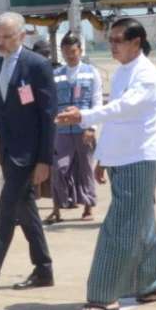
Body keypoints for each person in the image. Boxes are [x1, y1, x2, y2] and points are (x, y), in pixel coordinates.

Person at [55, 18, 156, 310]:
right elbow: (116, 120)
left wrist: (84, 116)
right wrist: (103, 159)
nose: (112, 45)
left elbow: (121, 109)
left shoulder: (147, 76)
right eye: (110, 40)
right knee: (143, 226)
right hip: (121, 159)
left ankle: (103, 295)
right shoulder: (123, 71)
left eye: (118, 40)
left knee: (118, 228)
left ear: (136, 42)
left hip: (138, 161)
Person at [0, 12, 55, 296]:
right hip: (6, 152)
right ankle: (43, 270)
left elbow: (48, 116)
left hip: (28, 155)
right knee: (26, 213)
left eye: (7, 37)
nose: (0, 42)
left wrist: (44, 160)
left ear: (22, 36)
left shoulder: (37, 66)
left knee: (5, 211)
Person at [47, 34, 101, 224]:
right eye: (66, 52)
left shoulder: (91, 72)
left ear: (80, 51)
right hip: (61, 130)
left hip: (83, 128)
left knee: (85, 168)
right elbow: (50, 102)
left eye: (73, 51)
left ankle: (88, 207)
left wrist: (92, 127)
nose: (70, 55)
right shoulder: (55, 74)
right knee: (59, 168)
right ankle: (58, 207)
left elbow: (97, 100)